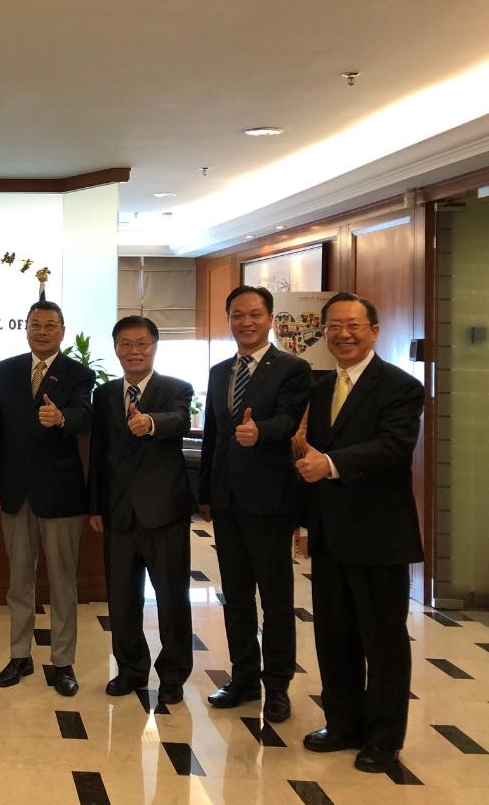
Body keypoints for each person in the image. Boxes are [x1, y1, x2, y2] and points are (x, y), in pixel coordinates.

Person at [295, 293, 424, 773]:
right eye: (334, 326)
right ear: (324, 332)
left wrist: (330, 464)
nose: (343, 334)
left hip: (379, 534)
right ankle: (343, 723)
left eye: (353, 325)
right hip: (331, 533)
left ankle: (384, 737)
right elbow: (309, 451)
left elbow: (393, 446)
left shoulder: (400, 386)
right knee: (334, 634)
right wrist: (307, 522)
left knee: (383, 639)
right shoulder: (321, 386)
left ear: (373, 329)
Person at [197, 285, 311, 723]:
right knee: (237, 595)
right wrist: (206, 492)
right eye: (237, 315)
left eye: (255, 314)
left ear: (269, 319)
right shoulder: (220, 371)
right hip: (226, 499)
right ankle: (243, 677)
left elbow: (288, 419)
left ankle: (277, 685)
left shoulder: (293, 368)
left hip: (269, 499)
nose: (246, 322)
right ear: (229, 319)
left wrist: (260, 432)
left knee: (276, 598)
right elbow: (213, 435)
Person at [0, 300, 94, 697]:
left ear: (63, 331)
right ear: (26, 329)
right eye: (36, 325)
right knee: (19, 580)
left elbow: (86, 415)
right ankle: (20, 655)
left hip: (61, 494)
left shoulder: (79, 374)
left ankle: (63, 662)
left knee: (63, 582)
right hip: (14, 492)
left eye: (51, 325)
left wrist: (61, 418)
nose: (42, 331)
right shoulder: (8, 369)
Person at [88, 315, 195, 705]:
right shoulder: (105, 394)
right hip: (117, 514)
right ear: (116, 348)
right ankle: (131, 669)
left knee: (171, 598)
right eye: (126, 344)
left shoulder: (175, 388)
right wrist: (95, 505)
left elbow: (180, 419)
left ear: (154, 347)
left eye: (142, 344)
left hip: (163, 512)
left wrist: (150, 422)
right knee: (122, 599)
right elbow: (99, 452)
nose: (134, 351)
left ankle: (172, 674)